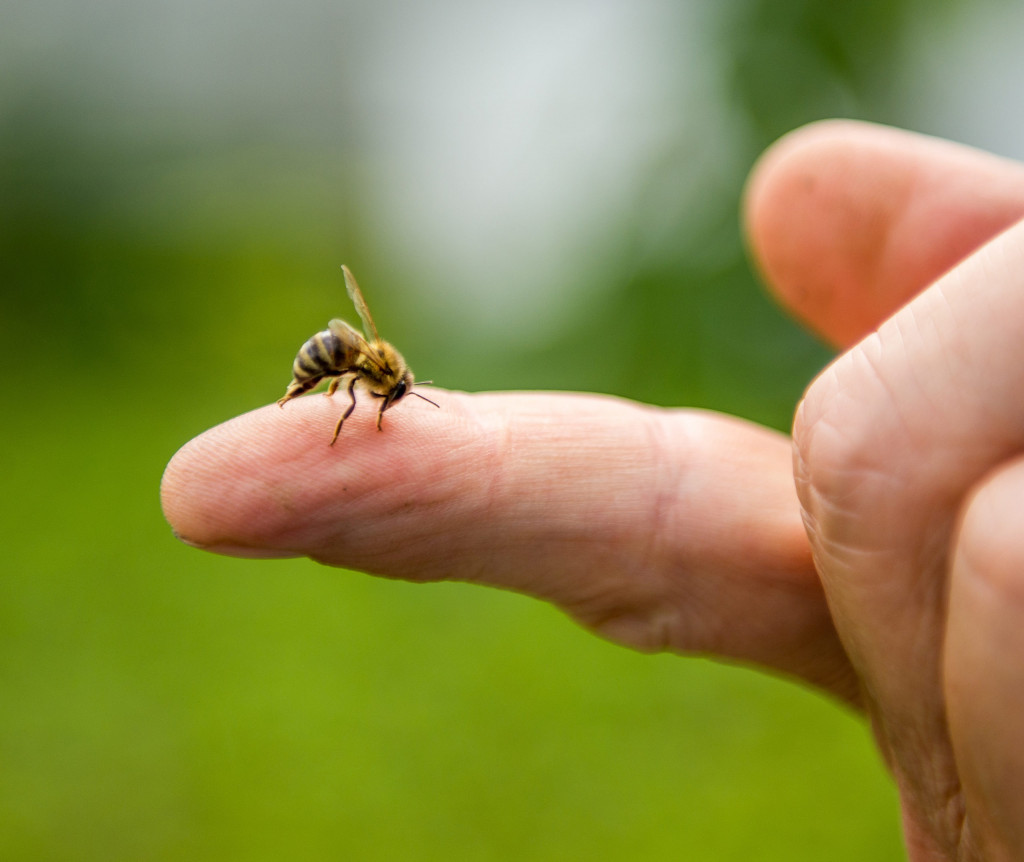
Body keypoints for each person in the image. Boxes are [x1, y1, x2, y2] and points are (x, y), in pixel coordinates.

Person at [160, 120, 1024, 861]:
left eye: (384, 392)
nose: (383, 393)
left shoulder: (377, 371)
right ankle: (289, 400)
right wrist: (356, 413)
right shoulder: (361, 372)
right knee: (309, 401)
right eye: (384, 390)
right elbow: (349, 376)